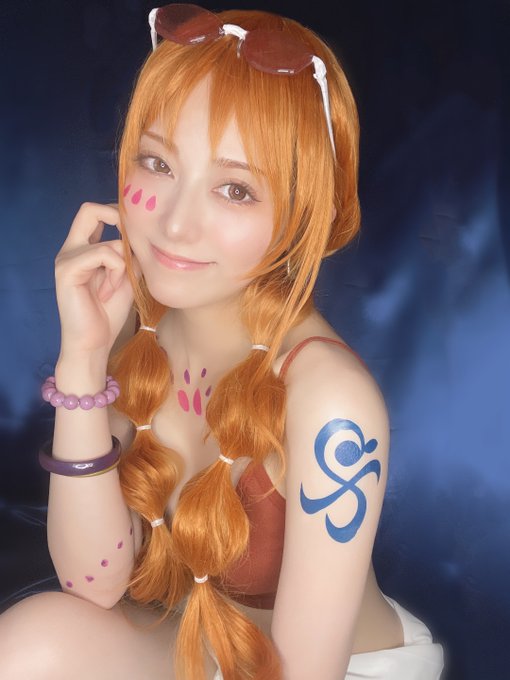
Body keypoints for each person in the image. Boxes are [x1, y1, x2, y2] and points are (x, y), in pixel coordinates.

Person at [0, 4, 445, 679]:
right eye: (158, 163)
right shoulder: (137, 326)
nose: (177, 225)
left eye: (235, 190)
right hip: (201, 643)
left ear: (300, 214)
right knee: (31, 644)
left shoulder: (332, 401)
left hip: (320, 670)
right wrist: (83, 363)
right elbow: (94, 583)